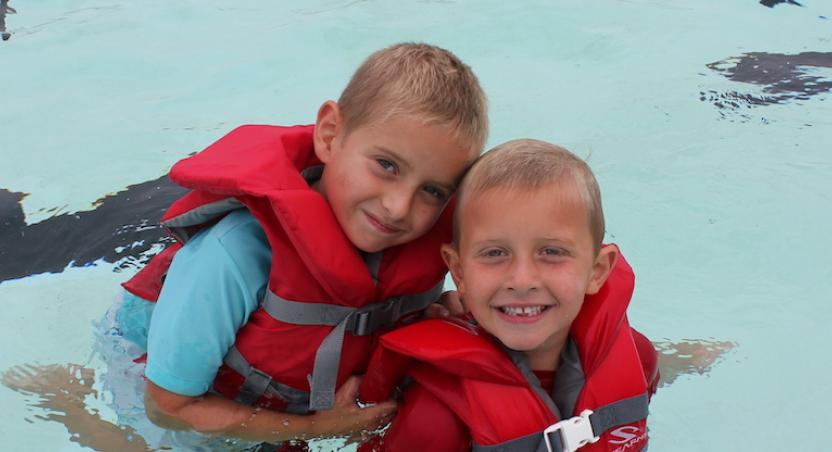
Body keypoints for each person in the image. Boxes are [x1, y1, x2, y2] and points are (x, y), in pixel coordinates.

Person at [112, 42, 489, 447]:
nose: (399, 208)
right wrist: (314, 430)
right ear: (329, 134)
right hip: (153, 379)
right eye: (386, 165)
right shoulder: (234, 254)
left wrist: (436, 317)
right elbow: (168, 406)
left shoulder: (421, 248)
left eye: (432, 190)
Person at [357, 139, 660, 451]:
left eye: (552, 252)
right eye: (495, 253)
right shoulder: (433, 418)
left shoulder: (639, 359)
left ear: (597, 271)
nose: (522, 280)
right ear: (459, 272)